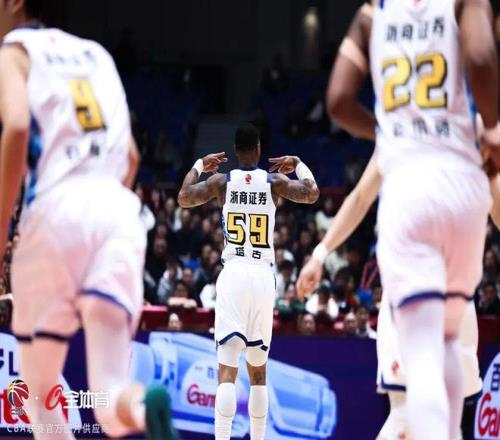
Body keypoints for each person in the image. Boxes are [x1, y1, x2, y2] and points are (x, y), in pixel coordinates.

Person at [300, 1, 499, 437]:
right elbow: (484, 57)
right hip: (462, 202)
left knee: (411, 402)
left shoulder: (376, 12)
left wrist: (320, 252)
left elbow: (338, 103)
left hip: (412, 214)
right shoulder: (467, 123)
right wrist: (493, 128)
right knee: (443, 369)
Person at [0, 1, 175, 438]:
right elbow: (130, 157)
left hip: (55, 211)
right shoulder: (98, 55)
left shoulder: (14, 52)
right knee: (109, 398)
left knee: (40, 392)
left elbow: (16, 126)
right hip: (116, 212)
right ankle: (144, 407)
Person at [177, 123, 319, 440]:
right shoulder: (273, 182)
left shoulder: (222, 182)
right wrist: (298, 164)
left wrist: (199, 165)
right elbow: (312, 193)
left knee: (227, 369)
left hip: (234, 273)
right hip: (262, 275)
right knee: (258, 369)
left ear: (235, 150)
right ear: (258, 148)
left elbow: (184, 197)